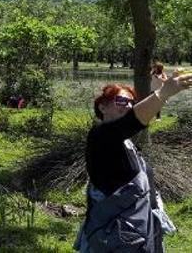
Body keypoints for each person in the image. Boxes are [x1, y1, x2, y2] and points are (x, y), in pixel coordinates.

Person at [74, 72, 192, 252]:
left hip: (136, 232)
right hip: (115, 238)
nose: (128, 106)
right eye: (121, 101)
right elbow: (131, 122)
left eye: (131, 103)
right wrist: (162, 94)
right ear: (103, 107)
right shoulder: (100, 136)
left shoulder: (124, 142)